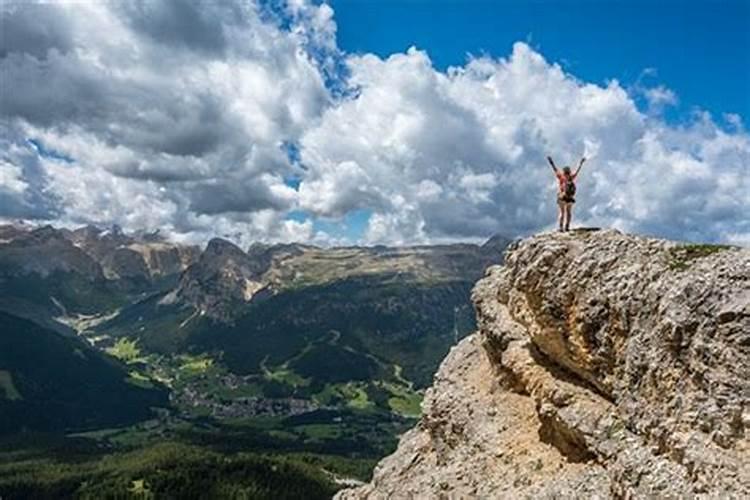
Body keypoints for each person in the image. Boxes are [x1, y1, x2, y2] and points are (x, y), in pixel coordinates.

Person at [547, 155, 586, 232]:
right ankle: (567, 227)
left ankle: (561, 228)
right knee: (568, 212)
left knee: (562, 212)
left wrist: (551, 162)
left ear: (564, 172)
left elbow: (555, 169)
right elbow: (578, 170)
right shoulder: (572, 177)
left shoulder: (561, 177)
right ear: (569, 172)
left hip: (562, 196)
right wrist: (581, 163)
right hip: (570, 198)